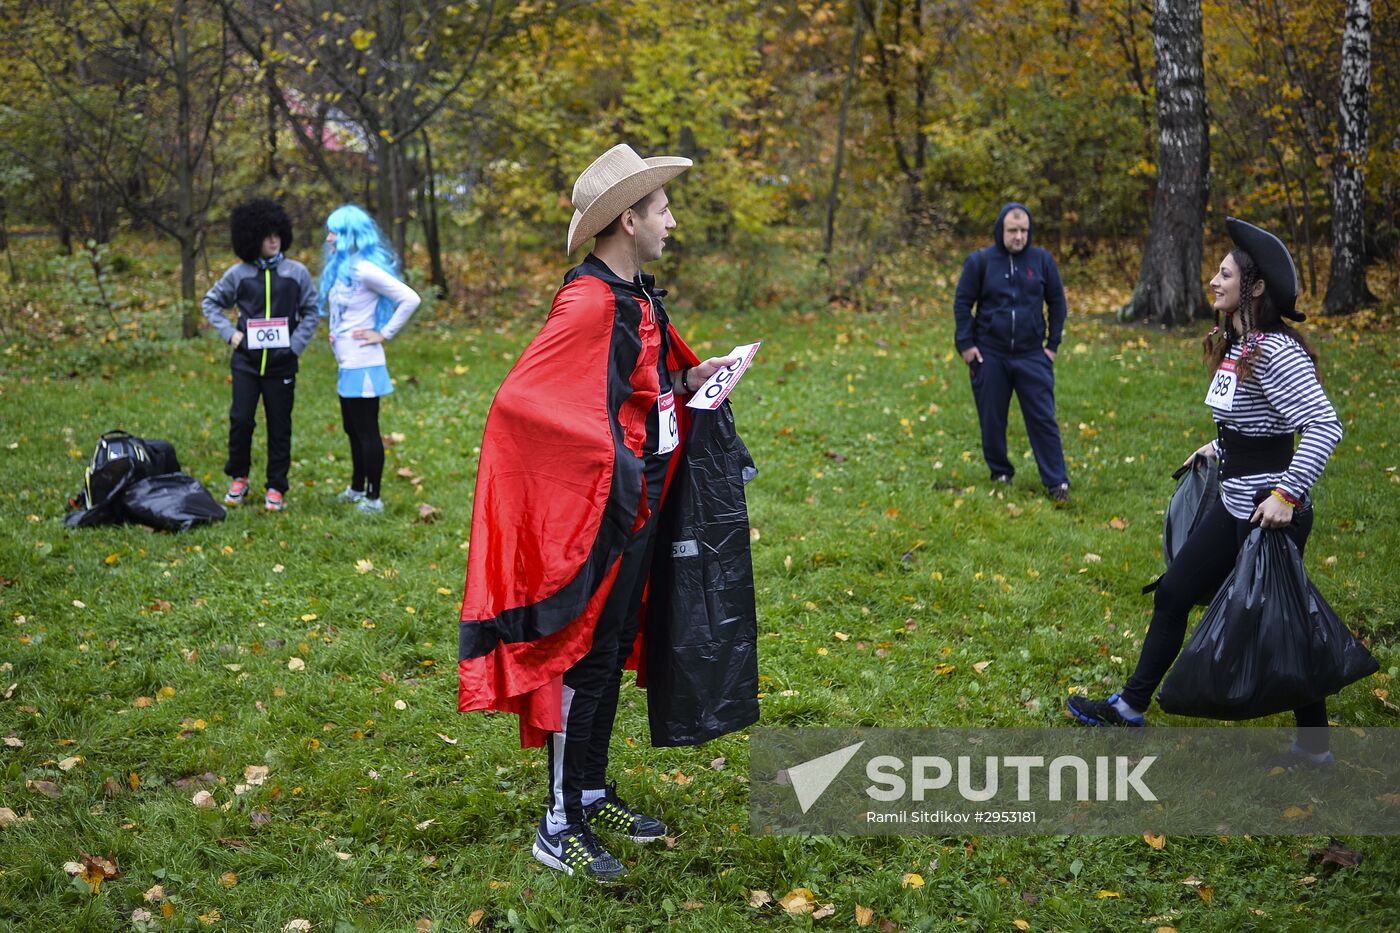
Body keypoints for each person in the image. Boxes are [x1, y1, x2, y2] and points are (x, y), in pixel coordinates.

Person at [456, 144, 737, 882]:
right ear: (627, 220)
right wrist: (608, 460)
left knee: (607, 649)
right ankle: (558, 823)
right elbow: (521, 402)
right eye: (662, 210)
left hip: (636, 502)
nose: (671, 222)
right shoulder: (588, 301)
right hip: (602, 510)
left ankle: (585, 788)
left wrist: (690, 379)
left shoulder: (635, 294)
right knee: (580, 653)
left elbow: (634, 382)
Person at [1068, 218, 1344, 766]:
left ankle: (1314, 747)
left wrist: (1287, 495)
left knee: (1280, 620)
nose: (1213, 281)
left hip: (1268, 511)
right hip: (1233, 501)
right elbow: (1257, 422)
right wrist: (1217, 448)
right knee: (1175, 593)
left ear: (1255, 287)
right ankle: (1130, 707)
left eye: (1225, 274)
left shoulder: (1276, 351)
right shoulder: (1241, 343)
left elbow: (1323, 425)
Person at [202, 198, 320, 512]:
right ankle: (238, 477)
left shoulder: (296, 273)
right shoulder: (238, 274)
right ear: (252, 237)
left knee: (280, 425)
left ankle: (276, 486)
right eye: (266, 235)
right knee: (240, 420)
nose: (273, 240)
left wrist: (294, 346)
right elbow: (210, 303)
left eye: (277, 234)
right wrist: (230, 334)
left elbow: (312, 311)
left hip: (282, 364)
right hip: (246, 363)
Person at [953, 202, 1070, 502]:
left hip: (1032, 355)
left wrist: (1052, 346)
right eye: (1012, 230)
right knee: (992, 418)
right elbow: (962, 303)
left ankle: (1057, 482)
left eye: (1023, 230)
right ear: (1000, 230)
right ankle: (1000, 471)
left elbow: (1057, 303)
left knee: (1043, 419)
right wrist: (967, 346)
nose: (1018, 236)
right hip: (990, 354)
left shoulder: (1042, 261)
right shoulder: (980, 262)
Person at [319, 205, 421, 515]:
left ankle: (374, 498)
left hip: (364, 363)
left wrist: (383, 333)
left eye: (334, 232)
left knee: (366, 431)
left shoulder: (364, 269)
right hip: (348, 363)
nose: (329, 237)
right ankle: (357, 488)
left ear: (350, 235)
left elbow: (410, 298)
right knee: (352, 428)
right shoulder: (343, 269)